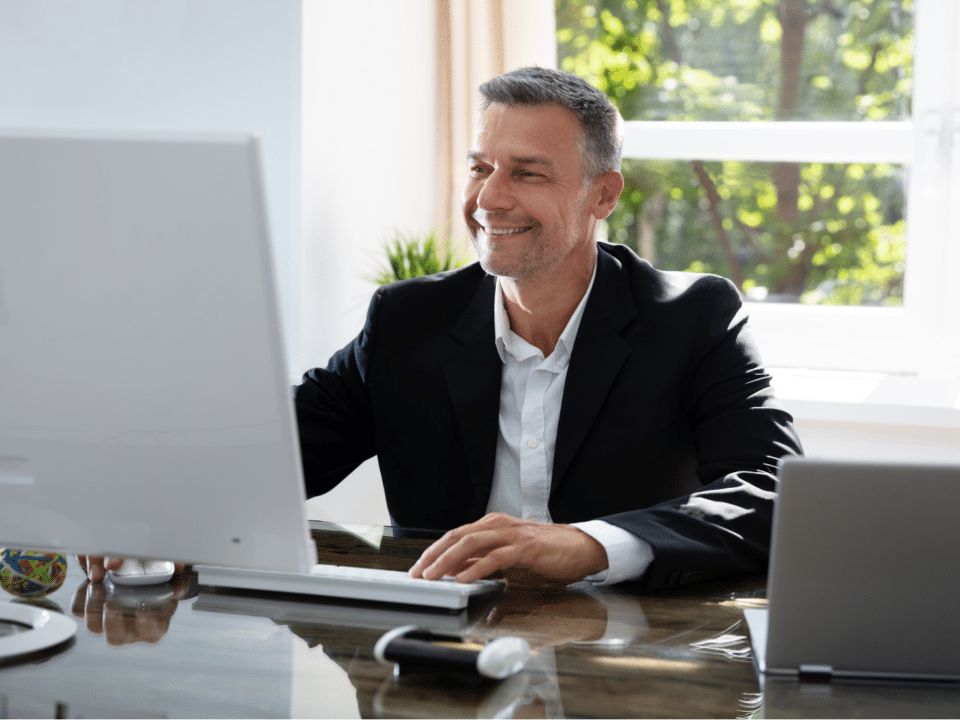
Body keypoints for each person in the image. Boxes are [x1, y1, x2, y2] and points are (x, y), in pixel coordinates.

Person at [80, 67, 801, 590]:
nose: (489, 197)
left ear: (601, 194)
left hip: (629, 650)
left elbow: (774, 491)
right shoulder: (406, 321)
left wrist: (590, 544)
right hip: (435, 646)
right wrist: (159, 515)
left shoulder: (693, 316)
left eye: (527, 173)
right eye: (480, 167)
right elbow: (276, 450)